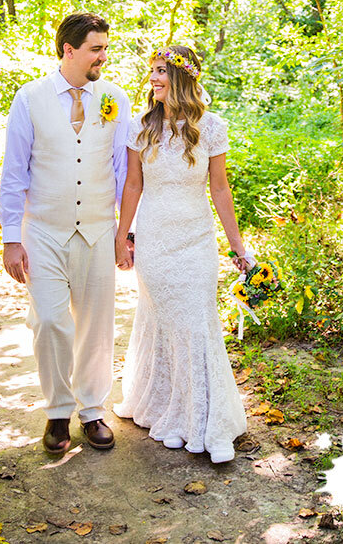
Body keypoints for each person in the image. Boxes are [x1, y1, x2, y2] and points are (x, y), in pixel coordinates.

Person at [0, 12, 131, 454]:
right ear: (68, 51)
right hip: (44, 232)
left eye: (105, 48)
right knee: (52, 322)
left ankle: (92, 411)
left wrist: (125, 233)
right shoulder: (30, 97)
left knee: (96, 325)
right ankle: (58, 411)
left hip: (97, 228)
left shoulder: (114, 97)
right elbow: (14, 171)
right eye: (96, 49)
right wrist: (11, 237)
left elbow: (123, 169)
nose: (103, 57)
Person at [113, 45, 249, 463]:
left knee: (196, 321)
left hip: (196, 239)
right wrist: (123, 236)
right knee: (166, 320)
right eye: (151, 72)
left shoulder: (212, 127)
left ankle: (208, 422)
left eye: (161, 73)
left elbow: (220, 188)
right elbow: (132, 186)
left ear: (183, 79)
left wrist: (237, 245)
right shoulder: (140, 127)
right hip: (155, 239)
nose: (153, 80)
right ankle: (170, 413)